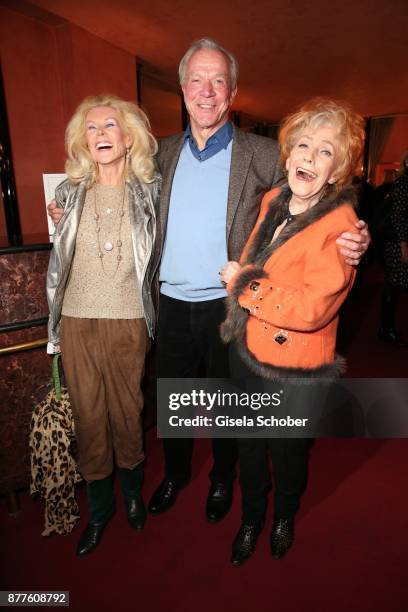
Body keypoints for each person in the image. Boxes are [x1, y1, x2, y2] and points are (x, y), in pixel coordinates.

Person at [49, 39, 370, 525]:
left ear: (232, 92)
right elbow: (109, 176)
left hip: (231, 306)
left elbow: (314, 194)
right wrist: (65, 205)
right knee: (176, 401)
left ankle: (222, 480)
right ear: (182, 89)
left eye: (217, 81)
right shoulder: (159, 154)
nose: (206, 91)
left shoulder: (263, 154)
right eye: (196, 80)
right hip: (169, 303)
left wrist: (357, 232)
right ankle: (176, 475)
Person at [220, 97, 365, 565]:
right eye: (303, 145)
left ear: (338, 169)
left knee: (286, 455)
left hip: (294, 366)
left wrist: (244, 286)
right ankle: (250, 518)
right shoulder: (273, 199)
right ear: (288, 154)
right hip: (246, 350)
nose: (309, 156)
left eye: (326, 151)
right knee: (248, 446)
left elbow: (310, 311)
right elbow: (257, 254)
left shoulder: (340, 229)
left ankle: (284, 515)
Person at [46, 94, 160, 556]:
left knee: (127, 412)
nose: (100, 135)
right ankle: (99, 511)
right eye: (91, 129)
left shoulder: (151, 193)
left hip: (129, 319)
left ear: (128, 138)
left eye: (109, 125)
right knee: (90, 417)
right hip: (75, 318)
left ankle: (131, 496)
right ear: (82, 141)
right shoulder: (67, 193)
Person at [378, 150, 408, 343]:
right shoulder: (403, 183)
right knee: (393, 285)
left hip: (402, 242)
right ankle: (386, 329)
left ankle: (387, 328)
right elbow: (398, 216)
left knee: (396, 285)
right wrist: (404, 245)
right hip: (399, 243)